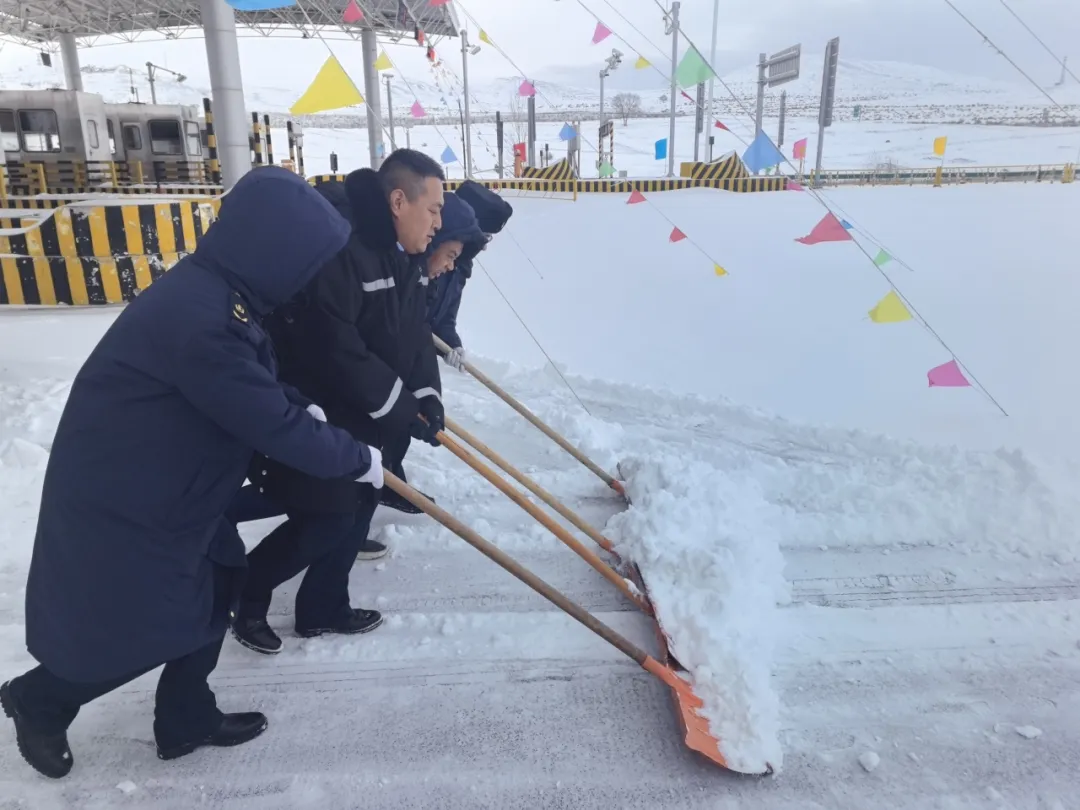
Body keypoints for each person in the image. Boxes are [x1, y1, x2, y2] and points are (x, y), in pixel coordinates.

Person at [0, 167, 385, 780]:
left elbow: (248, 384)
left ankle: (185, 718)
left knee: (211, 588)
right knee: (147, 619)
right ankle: (40, 700)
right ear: (274, 248)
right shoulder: (202, 316)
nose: (309, 276)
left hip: (173, 480)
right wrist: (357, 458)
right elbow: (265, 420)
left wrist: (292, 399)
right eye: (304, 260)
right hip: (131, 491)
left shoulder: (217, 291)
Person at [230, 148, 447, 656]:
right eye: (433, 208)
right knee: (327, 515)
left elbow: (415, 333)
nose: (439, 222)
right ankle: (248, 591)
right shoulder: (345, 250)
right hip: (322, 409)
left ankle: (323, 607)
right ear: (399, 200)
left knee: (359, 505)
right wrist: (398, 405)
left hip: (369, 412)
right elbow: (336, 346)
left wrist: (427, 394)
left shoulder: (402, 255)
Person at [427, 180, 514, 374]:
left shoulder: (460, 268)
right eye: (483, 236)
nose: (483, 246)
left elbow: (444, 320)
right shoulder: (427, 258)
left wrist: (451, 345)